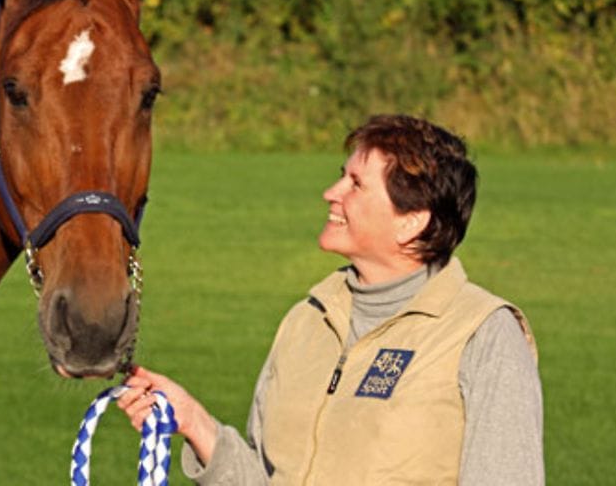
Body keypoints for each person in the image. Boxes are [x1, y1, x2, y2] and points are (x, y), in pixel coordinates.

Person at [117, 114, 544, 485]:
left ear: (411, 222)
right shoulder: (307, 320)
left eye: (356, 184)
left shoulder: (484, 335)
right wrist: (193, 421)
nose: (331, 192)